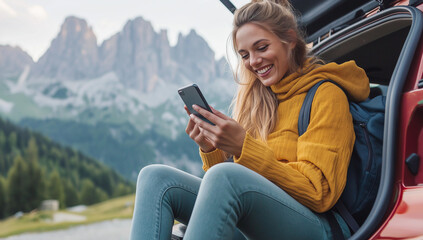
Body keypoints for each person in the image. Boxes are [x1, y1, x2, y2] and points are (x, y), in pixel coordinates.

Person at [129, 0, 370, 239]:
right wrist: (211, 148)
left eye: (262, 48)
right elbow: (221, 190)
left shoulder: (326, 94)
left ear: (290, 39)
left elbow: (320, 192)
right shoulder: (257, 101)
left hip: (319, 224)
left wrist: (244, 147)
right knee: (155, 178)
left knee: (225, 178)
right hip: (258, 220)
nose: (253, 62)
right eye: (244, 55)